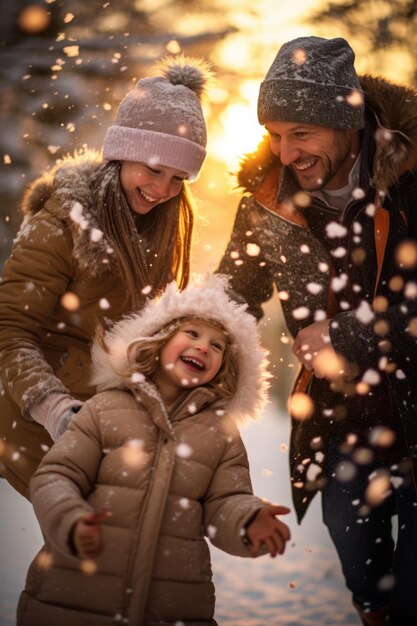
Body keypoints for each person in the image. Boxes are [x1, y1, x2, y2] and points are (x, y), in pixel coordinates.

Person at [217, 36, 417, 626]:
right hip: (343, 425)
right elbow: (234, 289)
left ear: (346, 120)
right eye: (275, 134)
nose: (285, 153)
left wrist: (354, 334)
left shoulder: (409, 181)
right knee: (365, 579)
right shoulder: (268, 199)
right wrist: (186, 338)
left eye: (300, 133)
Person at [16, 274, 291, 626]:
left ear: (226, 367)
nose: (204, 347)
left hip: (170, 608)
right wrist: (69, 518)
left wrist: (247, 520)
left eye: (218, 346)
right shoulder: (105, 408)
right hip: (74, 599)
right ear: (159, 339)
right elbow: (56, 475)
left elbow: (225, 501)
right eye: (192, 333)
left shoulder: (220, 432)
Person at [0, 55, 212, 499]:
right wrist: (54, 406)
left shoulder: (157, 229)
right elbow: (9, 330)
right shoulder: (61, 223)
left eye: (177, 178)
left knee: (130, 540)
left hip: (104, 417)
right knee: (95, 540)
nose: (162, 190)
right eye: (153, 169)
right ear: (122, 154)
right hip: (34, 411)